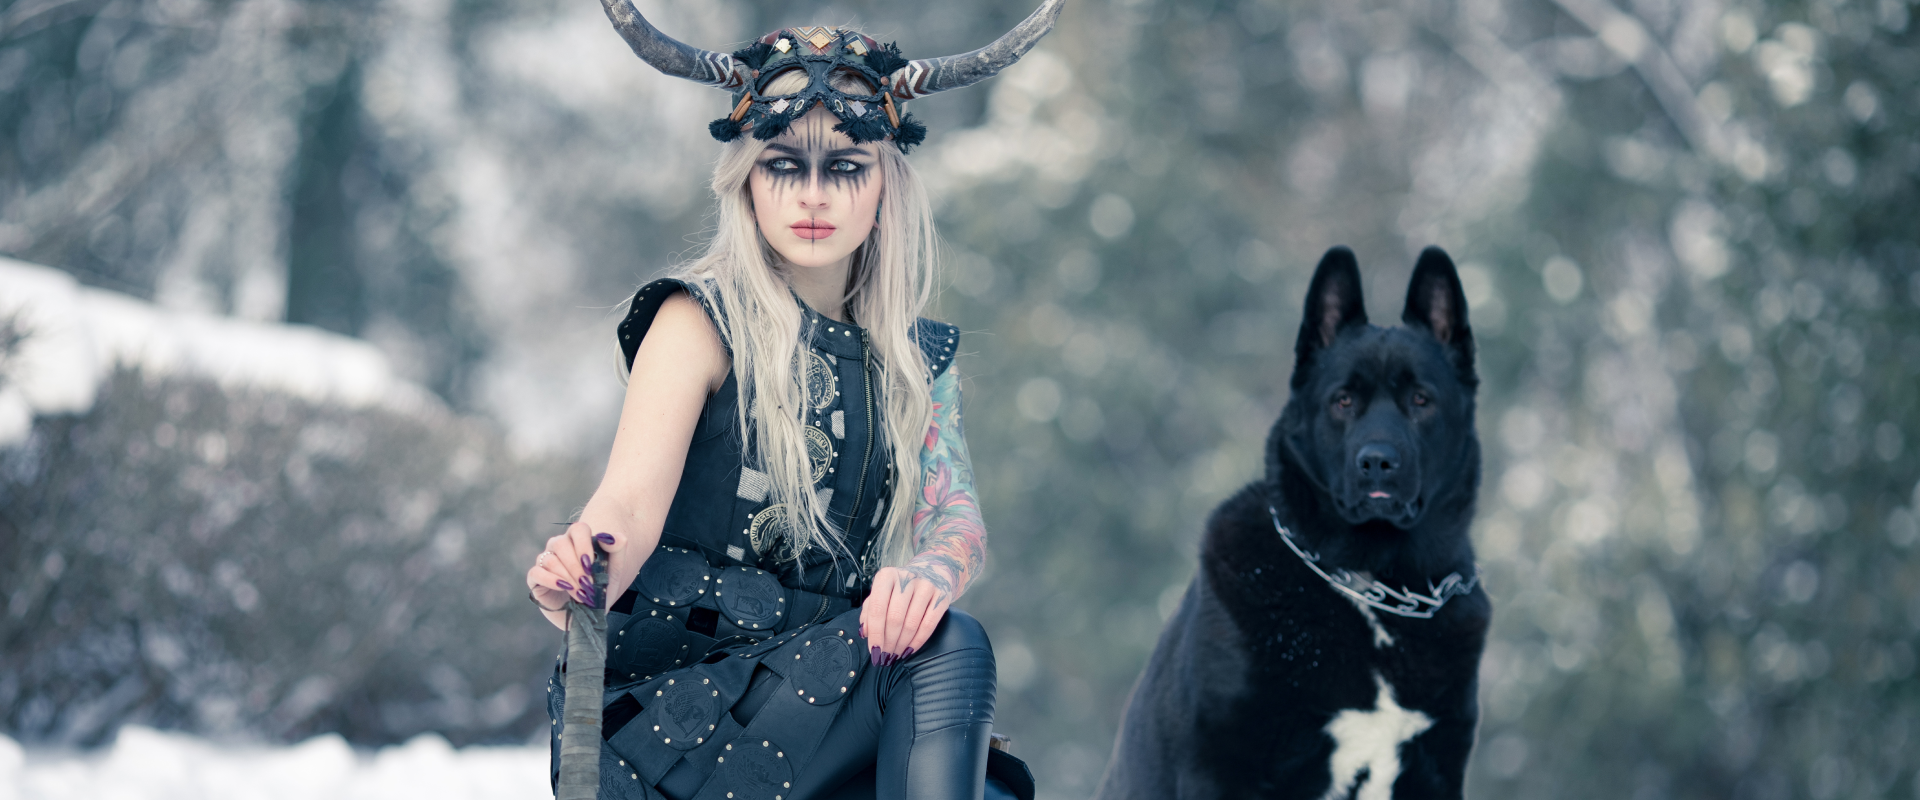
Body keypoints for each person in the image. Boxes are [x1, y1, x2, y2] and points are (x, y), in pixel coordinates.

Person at [523, 2, 1062, 798]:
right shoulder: (696, 319)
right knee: (954, 649)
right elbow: (626, 509)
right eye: (783, 164)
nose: (813, 195)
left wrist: (925, 578)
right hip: (679, 708)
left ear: (887, 183)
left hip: (825, 701)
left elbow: (955, 517)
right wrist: (584, 567)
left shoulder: (915, 359)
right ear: (747, 180)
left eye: (845, 166)